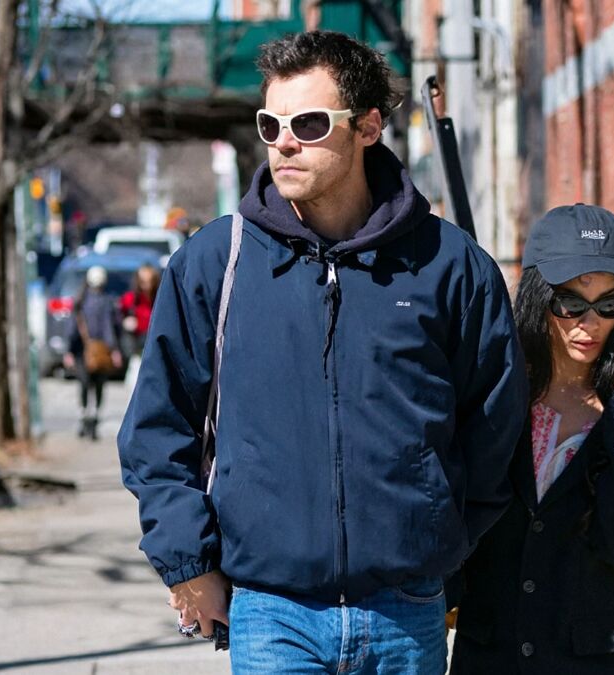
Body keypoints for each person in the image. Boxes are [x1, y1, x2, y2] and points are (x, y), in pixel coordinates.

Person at [117, 30, 527, 674]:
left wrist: (437, 544)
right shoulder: (214, 263)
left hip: (407, 609)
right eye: (270, 124)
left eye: (308, 124)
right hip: (270, 611)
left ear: (367, 127)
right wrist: (188, 563)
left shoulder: (451, 266)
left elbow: (493, 429)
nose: (284, 141)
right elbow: (157, 429)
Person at [448, 205, 614, 675]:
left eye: (609, 305)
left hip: (603, 663)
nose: (589, 323)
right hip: (495, 655)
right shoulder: (494, 391)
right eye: (571, 303)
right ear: (538, 296)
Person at [64, 265, 122, 440]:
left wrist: (69, 351)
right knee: (95, 385)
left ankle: (87, 418)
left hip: (87, 350)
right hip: (94, 350)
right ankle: (90, 418)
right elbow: (112, 329)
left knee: (87, 384)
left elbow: (72, 329)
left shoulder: (85, 301)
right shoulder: (103, 301)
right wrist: (114, 350)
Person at [119, 264, 160, 360]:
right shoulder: (130, 299)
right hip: (136, 347)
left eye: (150, 281)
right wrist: (124, 322)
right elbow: (117, 318)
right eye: (143, 282)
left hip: (155, 347)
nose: (147, 286)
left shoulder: (160, 299)